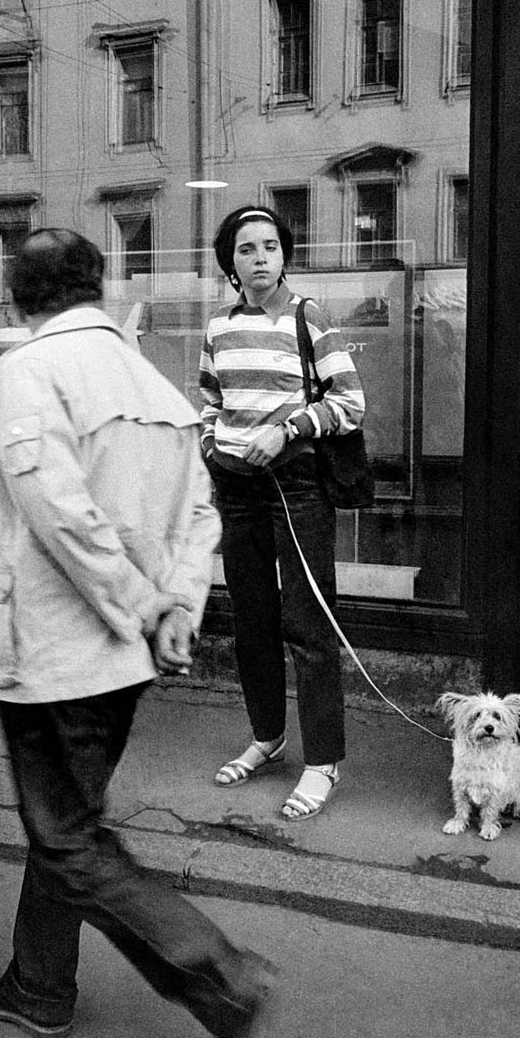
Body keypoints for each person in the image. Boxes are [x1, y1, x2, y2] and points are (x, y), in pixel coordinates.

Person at [0, 228, 274, 1038]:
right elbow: (197, 516)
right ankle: (38, 987)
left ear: (20, 298)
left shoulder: (30, 372)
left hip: (53, 652)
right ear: (94, 287)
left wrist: (146, 604)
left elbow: (58, 516)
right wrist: (172, 607)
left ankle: (222, 981)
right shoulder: (151, 381)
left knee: (66, 838)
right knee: (67, 823)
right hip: (125, 655)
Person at [200, 206, 366, 821]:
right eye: (247, 249)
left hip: (296, 485)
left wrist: (290, 428)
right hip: (237, 487)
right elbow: (209, 399)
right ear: (232, 261)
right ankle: (267, 738)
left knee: (307, 624)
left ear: (284, 255)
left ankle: (323, 762)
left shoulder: (309, 317)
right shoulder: (218, 325)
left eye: (271, 246)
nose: (261, 258)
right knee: (253, 620)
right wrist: (210, 444)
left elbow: (350, 403)